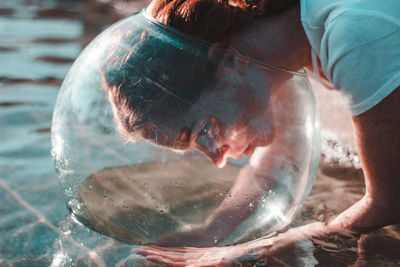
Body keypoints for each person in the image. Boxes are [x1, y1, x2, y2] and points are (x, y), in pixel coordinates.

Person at [107, 0, 400, 264]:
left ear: (229, 63)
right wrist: (211, 233)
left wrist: (253, 252)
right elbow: (271, 168)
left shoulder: (356, 36)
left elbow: (389, 203)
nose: (219, 159)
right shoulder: (276, 54)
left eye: (205, 130)